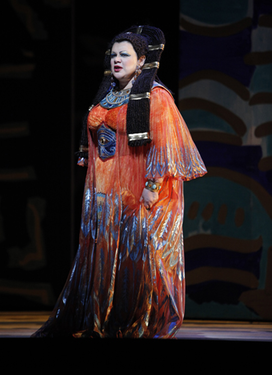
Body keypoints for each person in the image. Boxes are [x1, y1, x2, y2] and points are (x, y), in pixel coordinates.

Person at [31, 25, 207, 338]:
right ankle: (100, 317)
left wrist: (152, 188)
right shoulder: (108, 96)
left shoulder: (157, 97)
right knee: (104, 255)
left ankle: (138, 320)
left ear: (141, 61)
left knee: (138, 258)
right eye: (113, 54)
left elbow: (166, 147)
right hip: (105, 190)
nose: (116, 59)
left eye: (124, 54)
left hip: (139, 189)